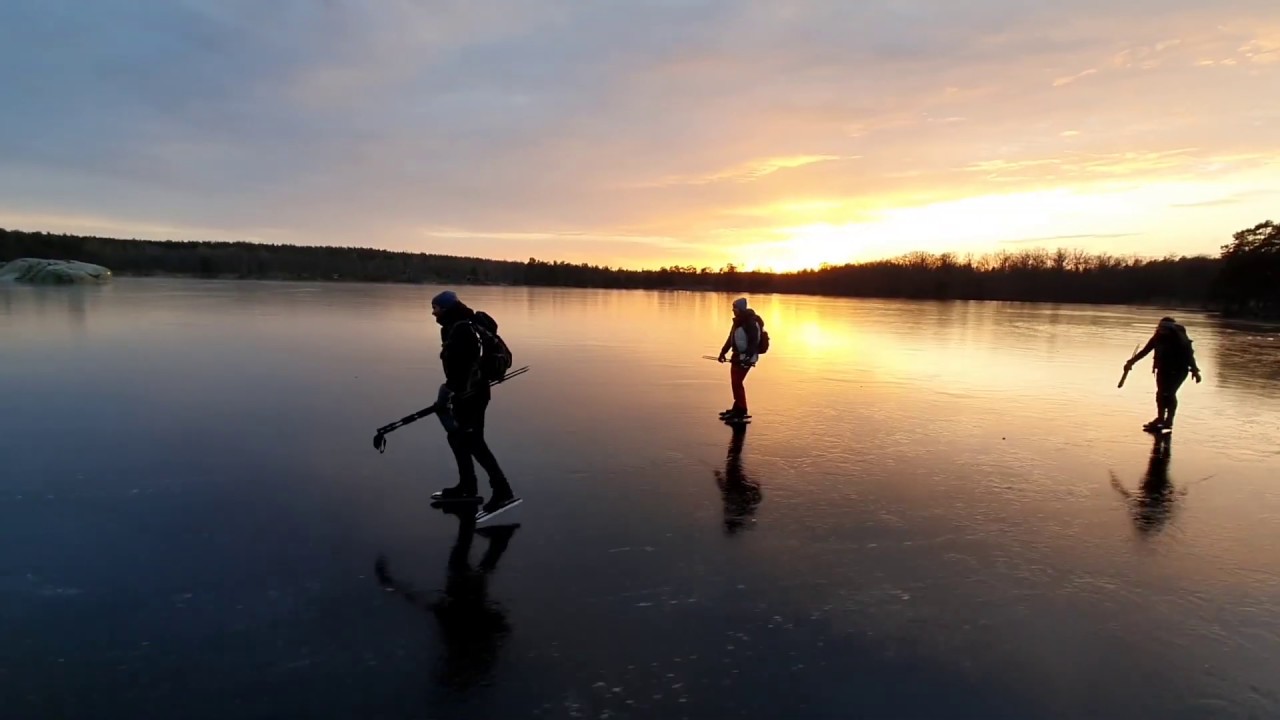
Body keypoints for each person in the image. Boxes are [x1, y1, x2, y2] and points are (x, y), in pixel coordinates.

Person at [428, 290, 520, 520]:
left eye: (436, 307)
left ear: (447, 308)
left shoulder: (462, 329)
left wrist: (449, 391)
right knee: (457, 437)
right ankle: (467, 486)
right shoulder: (458, 325)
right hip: (466, 393)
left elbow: (466, 365)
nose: (433, 312)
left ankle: (503, 492)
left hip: (472, 395)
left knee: (474, 441)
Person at [1123, 316, 1202, 433]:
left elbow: (1189, 356)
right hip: (1162, 369)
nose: (1161, 330)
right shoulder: (1157, 338)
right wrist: (1131, 362)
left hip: (1179, 371)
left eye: (1164, 328)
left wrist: (1195, 371)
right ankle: (1160, 418)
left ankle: (1168, 421)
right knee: (1160, 394)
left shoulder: (1180, 340)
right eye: (1160, 328)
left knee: (1169, 393)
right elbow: (1145, 351)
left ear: (1170, 329)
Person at [716, 297, 764, 422]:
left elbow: (754, 341)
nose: (733, 310)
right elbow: (730, 338)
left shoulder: (750, 322)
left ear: (740, 309)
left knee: (737, 383)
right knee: (735, 382)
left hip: (745, 358)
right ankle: (737, 407)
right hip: (736, 356)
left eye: (735, 308)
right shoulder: (737, 321)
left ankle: (741, 409)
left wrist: (747, 357)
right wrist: (723, 352)